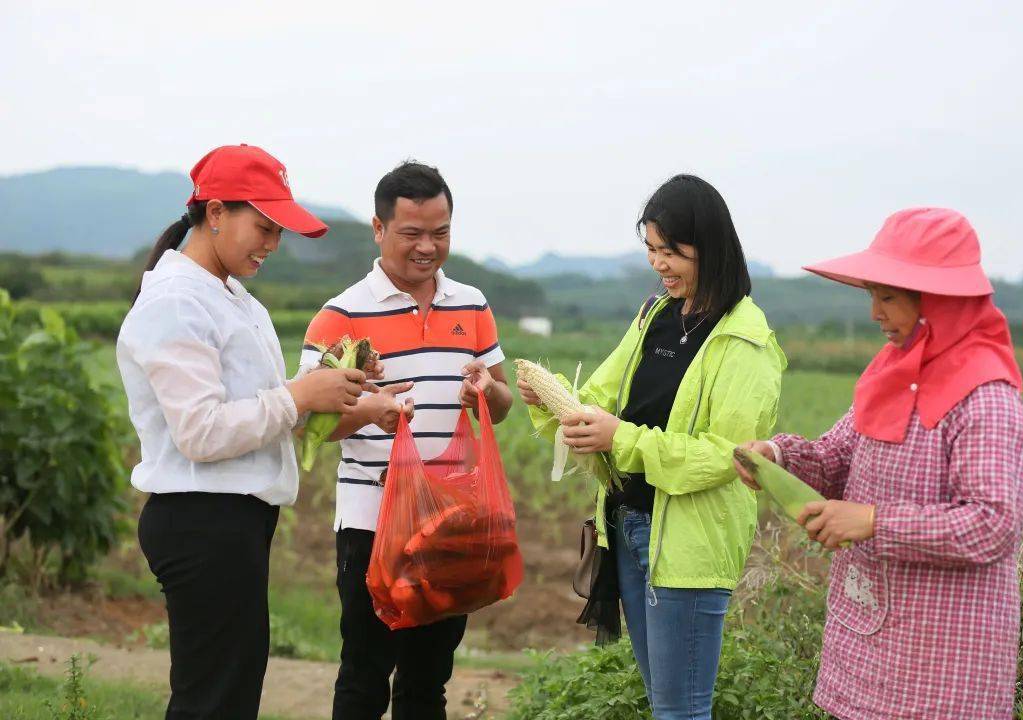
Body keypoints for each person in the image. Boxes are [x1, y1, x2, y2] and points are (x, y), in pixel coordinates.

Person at [117, 144, 407, 719]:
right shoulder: (177, 302)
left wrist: (339, 388)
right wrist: (302, 394)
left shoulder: (230, 297)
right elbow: (201, 432)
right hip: (201, 519)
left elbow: (263, 411)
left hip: (232, 520)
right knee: (214, 699)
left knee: (229, 690)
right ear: (216, 212)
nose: (272, 244)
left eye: (280, 231)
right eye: (263, 226)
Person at [734, 207, 1023, 720]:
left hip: (946, 660)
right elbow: (835, 456)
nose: (875, 312)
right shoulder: (893, 375)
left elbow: (994, 524)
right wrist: (778, 456)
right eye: (872, 294)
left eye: (888, 297)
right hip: (871, 638)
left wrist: (874, 520)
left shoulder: (987, 400)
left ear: (939, 302)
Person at [517, 174, 786, 720]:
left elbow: (727, 454)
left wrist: (623, 439)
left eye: (672, 251)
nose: (659, 263)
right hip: (630, 525)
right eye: (651, 249)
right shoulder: (656, 318)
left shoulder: (746, 341)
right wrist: (550, 399)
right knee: (664, 702)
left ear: (709, 248)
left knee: (681, 708)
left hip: (689, 546)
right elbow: (598, 395)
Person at [300, 161, 514, 720]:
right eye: (411, 234)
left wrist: (486, 392)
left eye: (440, 233)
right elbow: (311, 424)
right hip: (373, 521)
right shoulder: (340, 316)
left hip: (449, 522)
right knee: (366, 673)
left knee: (428, 681)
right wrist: (371, 412)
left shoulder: (472, 304)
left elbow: (505, 402)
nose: (428, 247)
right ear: (378, 228)